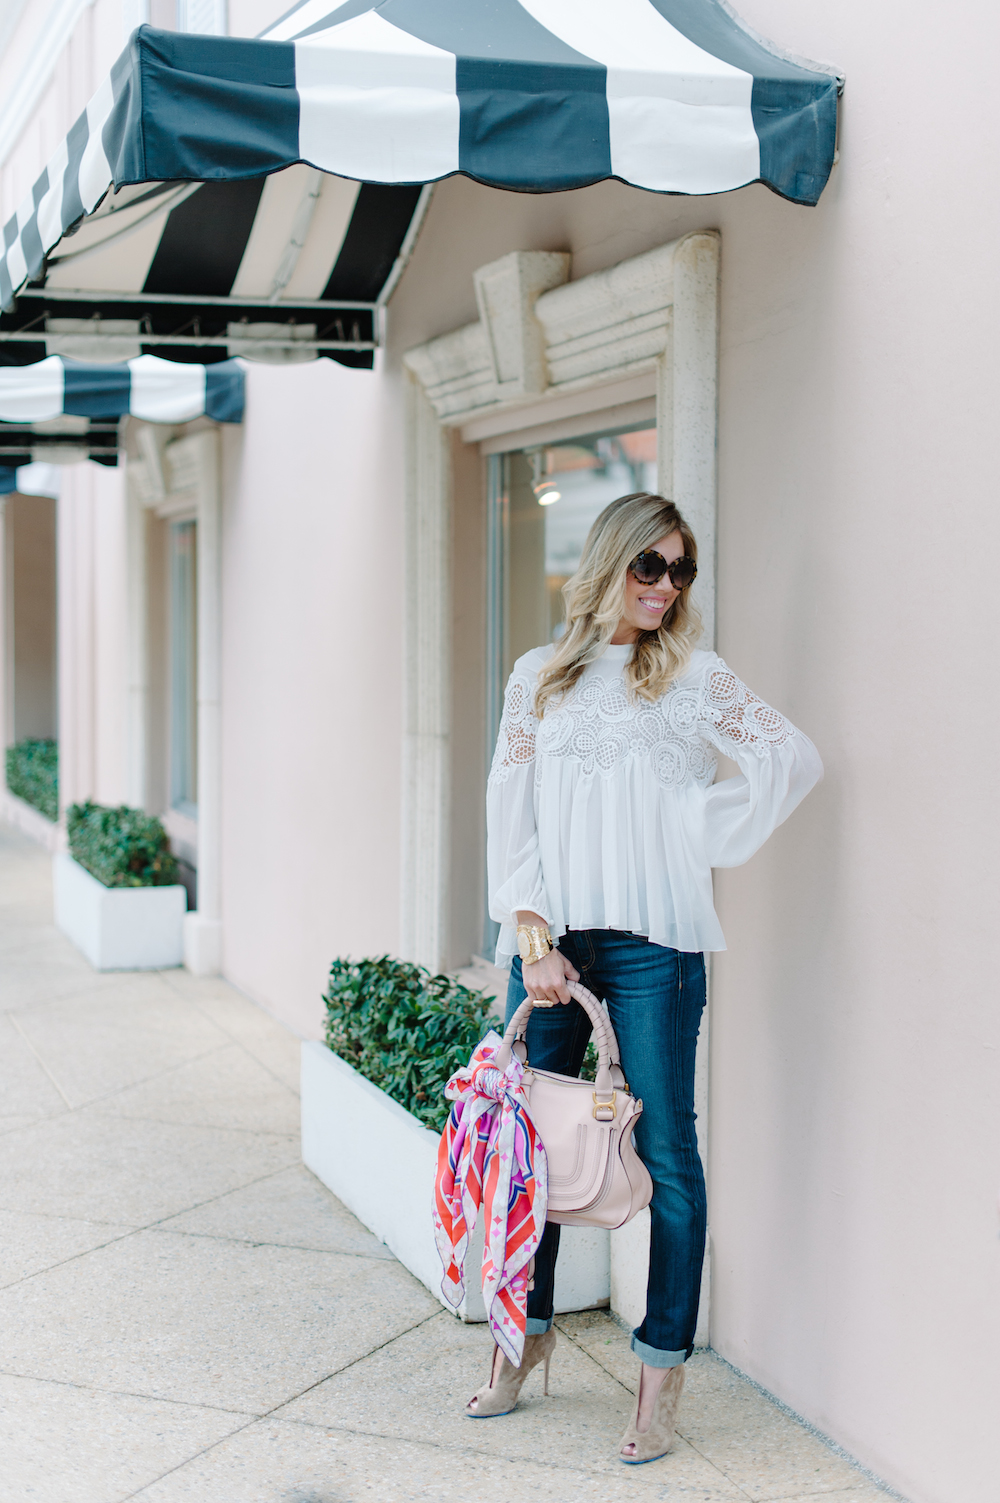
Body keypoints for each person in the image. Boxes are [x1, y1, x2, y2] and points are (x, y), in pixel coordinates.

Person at [468, 491, 822, 1462]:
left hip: (656, 951)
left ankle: (658, 1377)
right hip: (553, 947)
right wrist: (530, 929)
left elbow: (791, 761)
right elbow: (512, 805)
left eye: (680, 571)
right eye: (649, 567)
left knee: (667, 1156)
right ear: (609, 564)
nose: (666, 587)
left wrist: (687, 832)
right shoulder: (538, 676)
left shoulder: (696, 679)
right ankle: (521, 1339)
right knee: (527, 1148)